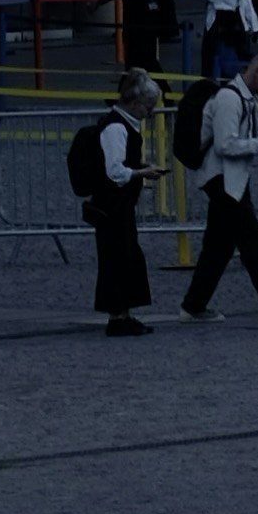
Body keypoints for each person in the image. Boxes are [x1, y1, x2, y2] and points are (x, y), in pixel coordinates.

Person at [183, 43, 258, 322]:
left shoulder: (245, 99)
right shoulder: (230, 100)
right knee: (253, 241)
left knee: (218, 247)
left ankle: (193, 305)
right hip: (222, 179)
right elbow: (225, 145)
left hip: (229, 179)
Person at [82, 66, 161, 337]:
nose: (151, 113)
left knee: (124, 255)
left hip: (116, 203)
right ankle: (118, 316)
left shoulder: (121, 124)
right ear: (135, 102)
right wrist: (142, 171)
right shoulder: (116, 127)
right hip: (112, 204)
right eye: (149, 106)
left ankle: (123, 313)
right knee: (117, 257)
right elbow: (115, 171)